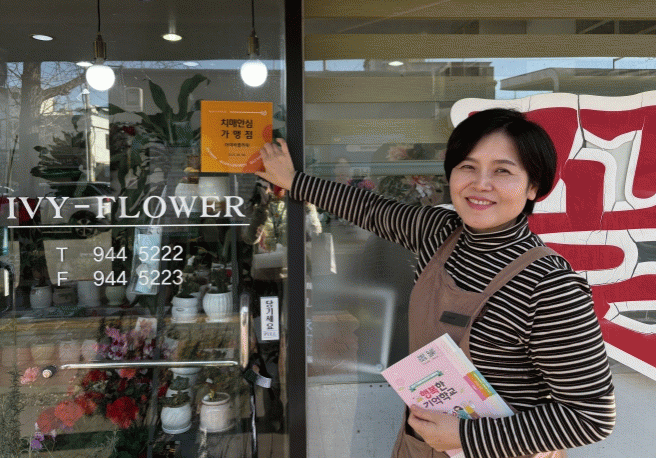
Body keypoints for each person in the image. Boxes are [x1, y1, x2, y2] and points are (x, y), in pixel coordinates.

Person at [256, 108, 616, 458]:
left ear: (533, 187)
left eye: (502, 170)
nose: (481, 184)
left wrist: (464, 436)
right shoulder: (438, 233)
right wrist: (294, 181)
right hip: (419, 445)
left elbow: (591, 416)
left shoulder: (550, 285)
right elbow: (369, 209)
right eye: (468, 167)